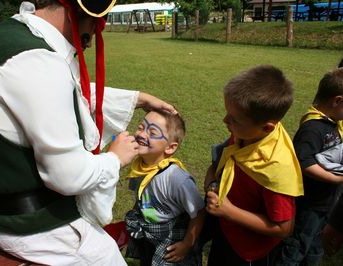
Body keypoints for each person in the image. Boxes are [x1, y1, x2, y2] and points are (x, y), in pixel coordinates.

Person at [0, 0, 177, 265]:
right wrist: (115, 158)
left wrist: (139, 98)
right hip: (35, 227)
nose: (91, 39)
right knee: (108, 258)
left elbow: (58, 94)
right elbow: (69, 176)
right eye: (95, 25)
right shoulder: (36, 60)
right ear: (83, 13)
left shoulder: (5, 37)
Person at [204, 65, 304, 265]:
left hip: (249, 251)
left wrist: (229, 211)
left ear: (267, 127)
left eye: (234, 119)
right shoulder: (245, 133)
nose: (225, 120)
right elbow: (221, 162)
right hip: (227, 232)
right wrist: (212, 183)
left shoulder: (275, 169)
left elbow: (284, 228)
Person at [275, 68, 343, 265]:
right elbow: (304, 162)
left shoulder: (332, 124)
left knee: (314, 248)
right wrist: (337, 179)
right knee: (294, 249)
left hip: (325, 204)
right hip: (310, 205)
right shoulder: (313, 128)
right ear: (337, 100)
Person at [124, 110, 205, 265]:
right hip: (149, 234)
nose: (142, 134)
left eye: (152, 132)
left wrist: (187, 244)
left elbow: (199, 212)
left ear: (170, 148)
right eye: (141, 127)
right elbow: (139, 199)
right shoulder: (139, 167)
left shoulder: (177, 179)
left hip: (173, 239)